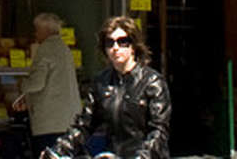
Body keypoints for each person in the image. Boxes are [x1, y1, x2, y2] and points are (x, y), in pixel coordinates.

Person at [45, 16, 170, 159]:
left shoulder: (152, 82)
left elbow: (159, 131)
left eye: (123, 42)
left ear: (134, 46)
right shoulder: (102, 82)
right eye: (109, 43)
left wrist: (142, 157)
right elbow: (84, 124)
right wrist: (59, 150)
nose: (115, 48)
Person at [12, 12, 81, 154]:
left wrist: (22, 84)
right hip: (68, 120)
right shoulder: (64, 48)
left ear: (45, 30)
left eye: (37, 30)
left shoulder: (46, 49)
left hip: (49, 122)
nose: (35, 34)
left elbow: (37, 83)